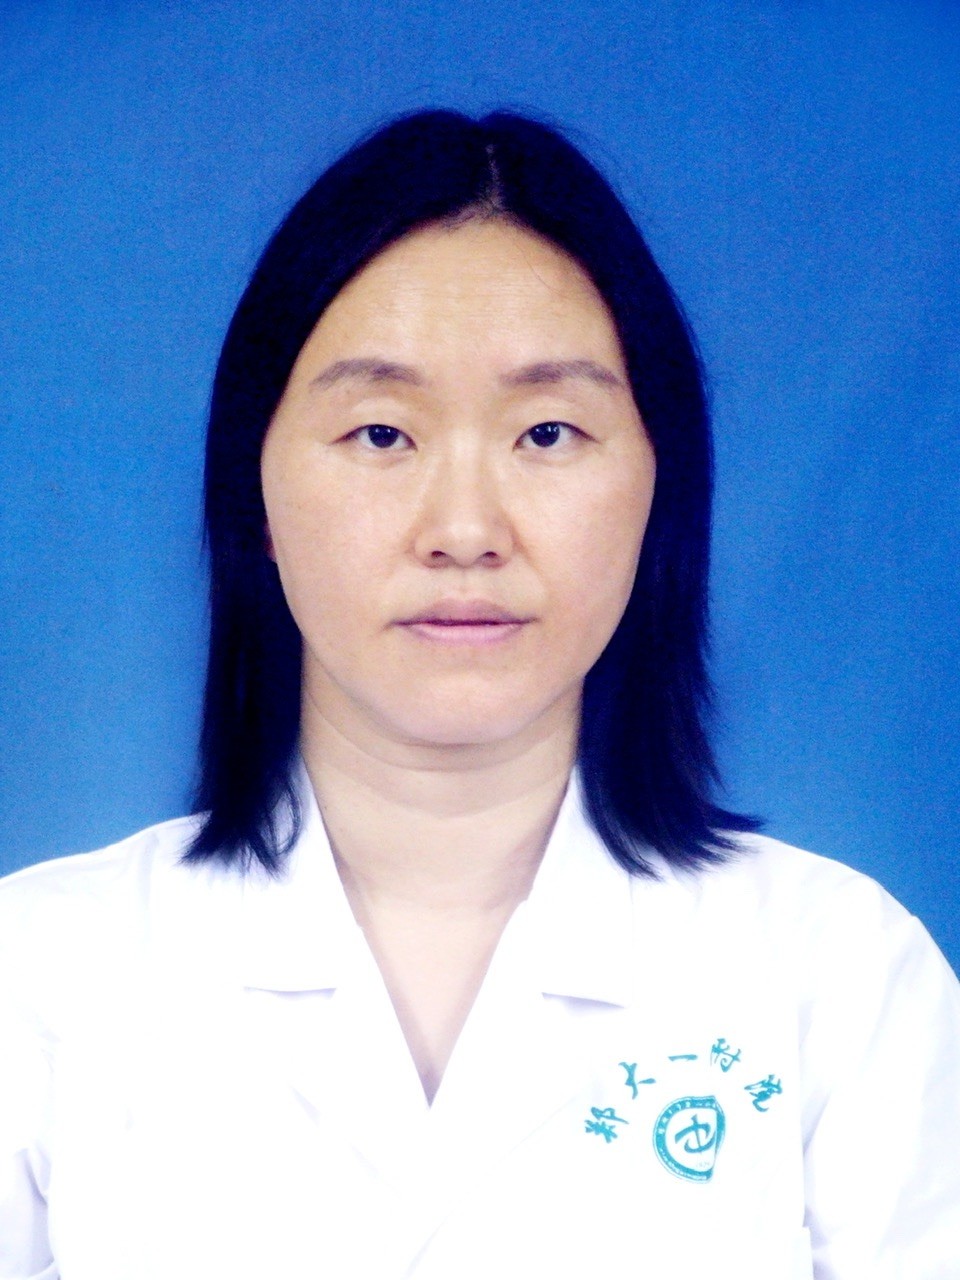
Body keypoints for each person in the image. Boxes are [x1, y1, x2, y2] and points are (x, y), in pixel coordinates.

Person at [1, 109, 958, 1280]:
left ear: (659, 487)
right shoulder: (41, 977)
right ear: (255, 493)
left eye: (547, 432)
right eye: (381, 432)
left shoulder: (841, 980)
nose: (464, 528)